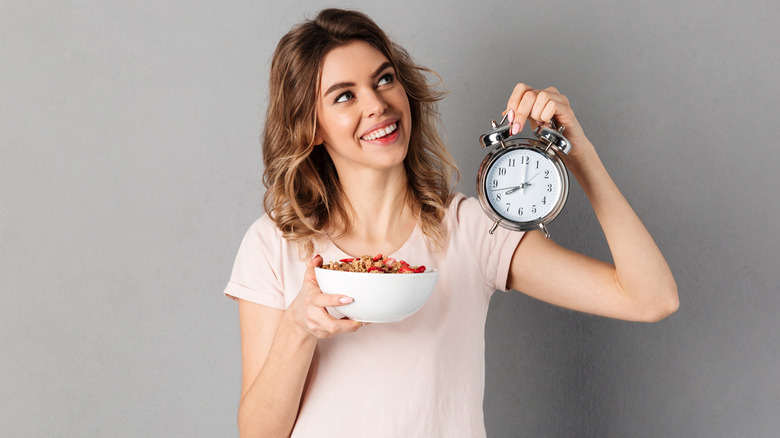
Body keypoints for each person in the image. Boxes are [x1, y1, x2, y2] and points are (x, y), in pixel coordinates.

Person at [223, 8, 678, 438]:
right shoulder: (274, 245)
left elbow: (650, 298)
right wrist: (297, 328)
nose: (378, 104)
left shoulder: (472, 230)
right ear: (312, 127)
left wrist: (579, 155)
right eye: (344, 95)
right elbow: (259, 433)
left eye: (384, 79)